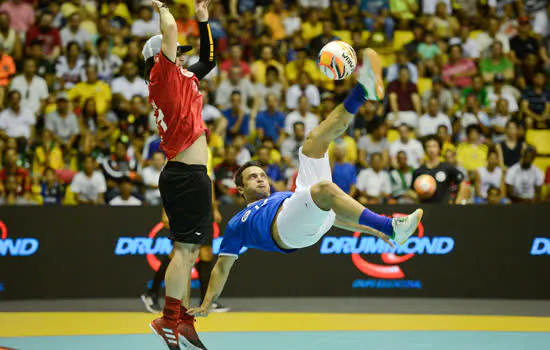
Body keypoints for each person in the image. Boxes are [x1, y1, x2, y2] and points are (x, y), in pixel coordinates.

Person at [187, 49, 423, 322]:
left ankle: (362, 91)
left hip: (299, 210)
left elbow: (332, 218)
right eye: (252, 177)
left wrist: (370, 230)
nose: (260, 178)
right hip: (286, 232)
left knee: (312, 145)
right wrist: (206, 304)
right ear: (240, 189)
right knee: (322, 190)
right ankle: (391, 228)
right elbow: (221, 267)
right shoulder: (238, 222)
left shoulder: (287, 195)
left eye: (261, 174)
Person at [143, 1, 216, 349]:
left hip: (190, 174)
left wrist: (203, 21)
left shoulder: (181, 79)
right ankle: (168, 319)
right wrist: (163, 7)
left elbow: (210, 61)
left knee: (188, 252)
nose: (183, 57)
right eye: (178, 54)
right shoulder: (164, 76)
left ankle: (182, 317)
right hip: (185, 174)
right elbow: (170, 31)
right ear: (161, 57)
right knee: (185, 252)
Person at [412, 135, 467, 204]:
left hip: (444, 208)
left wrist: (458, 200)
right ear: (425, 149)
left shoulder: (447, 167)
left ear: (439, 149)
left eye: (434, 146)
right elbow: (413, 192)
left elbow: (462, 183)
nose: (431, 149)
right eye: (428, 146)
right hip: (425, 208)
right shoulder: (419, 171)